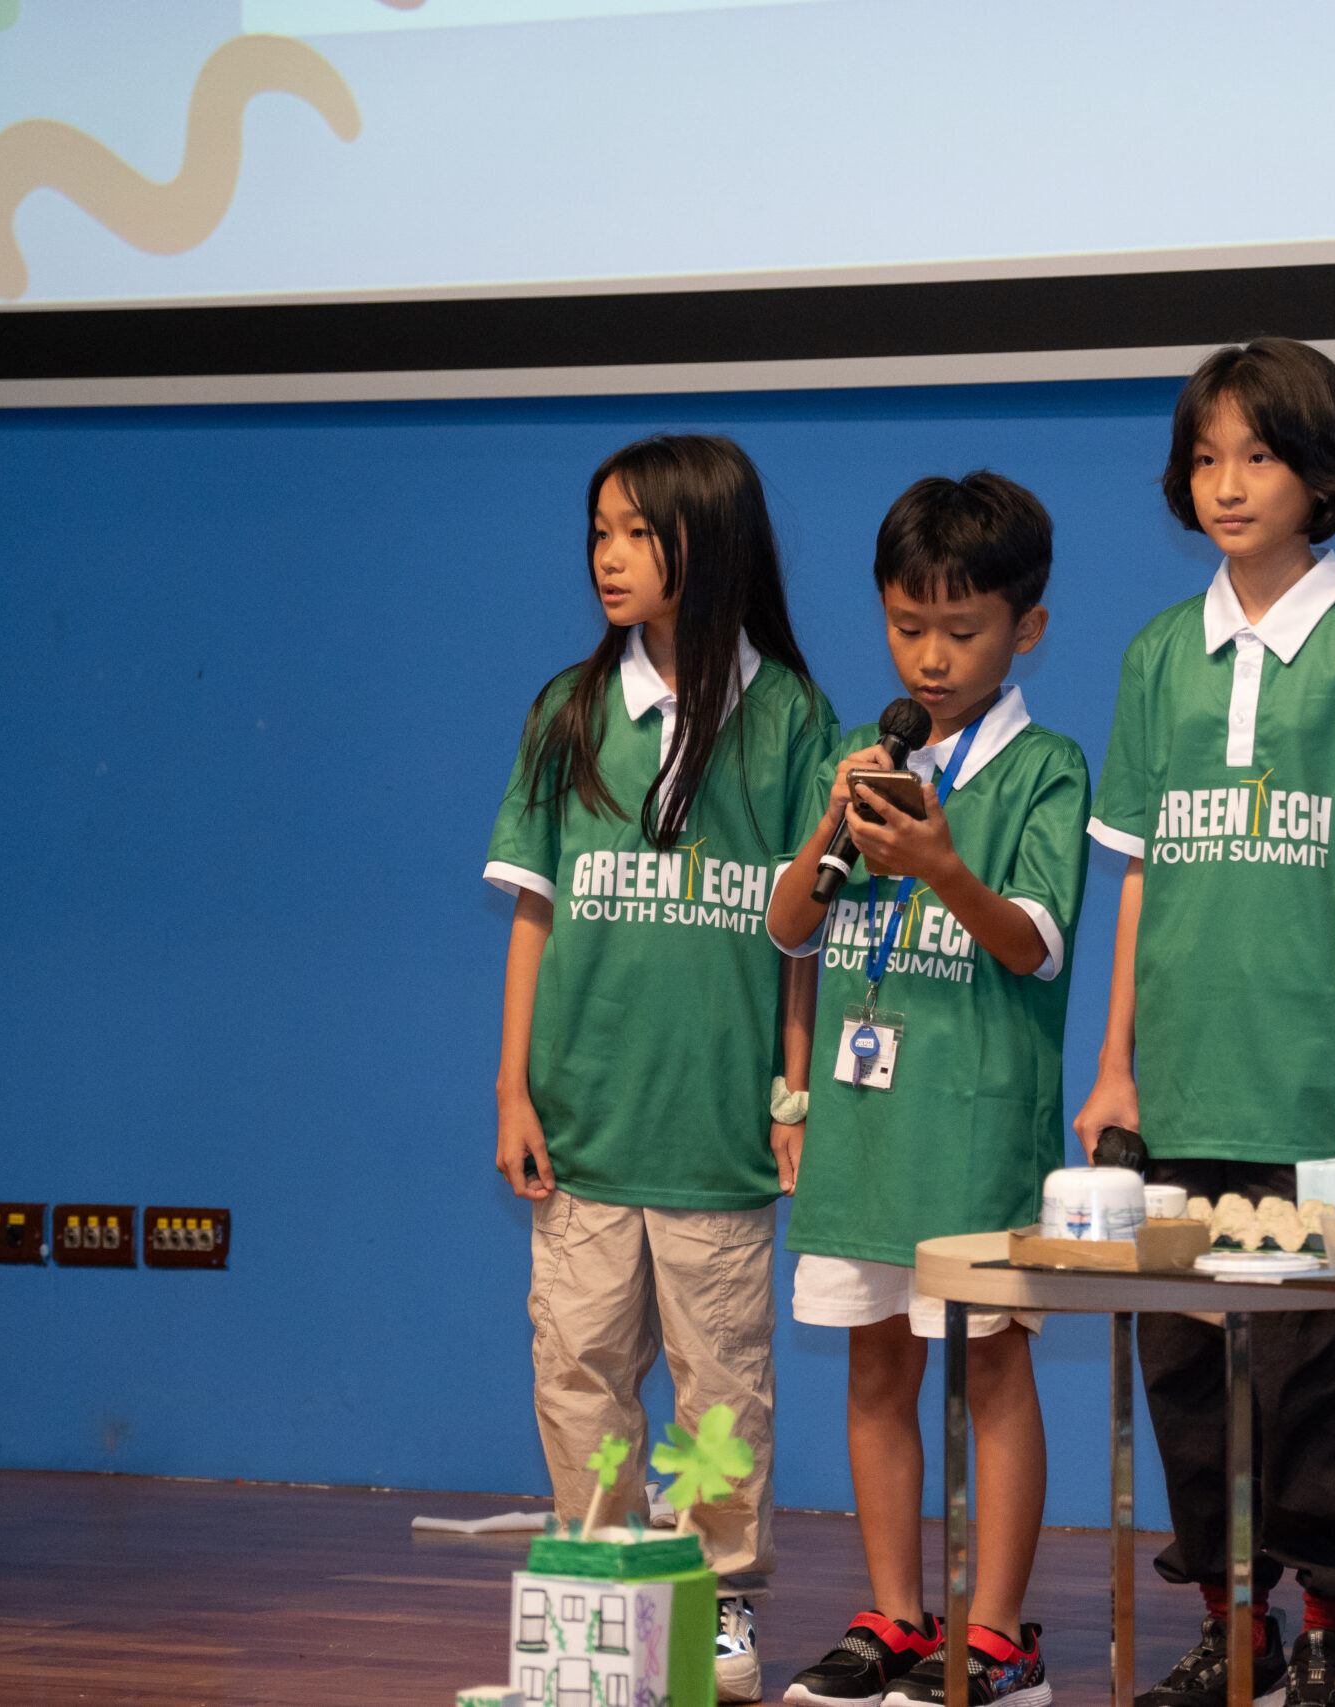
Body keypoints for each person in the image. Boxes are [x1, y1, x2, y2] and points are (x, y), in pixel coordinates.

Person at [1073, 340, 1335, 1707]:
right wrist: (1114, 1066)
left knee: (1323, 1378)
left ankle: (1333, 1634)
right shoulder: (1155, 656)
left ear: (1323, 474)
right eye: (1204, 458)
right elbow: (1135, 876)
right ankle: (1230, 1623)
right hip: (1178, 1088)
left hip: (1317, 1094)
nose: (1227, 485)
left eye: (1258, 455)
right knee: (1185, 1370)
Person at [484, 434, 837, 1704]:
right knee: (577, 1368)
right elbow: (534, 910)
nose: (610, 557)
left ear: (711, 541)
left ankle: (717, 1598)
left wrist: (793, 1092)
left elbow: (803, 936)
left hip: (717, 1132)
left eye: (638, 532)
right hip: (584, 1125)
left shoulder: (789, 717)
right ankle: (603, 1580)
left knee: (720, 1390)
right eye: (599, 533)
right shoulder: (568, 712)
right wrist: (513, 1090)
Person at [767, 472, 1088, 1707]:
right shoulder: (861, 756)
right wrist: (831, 829)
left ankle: (998, 1634)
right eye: (909, 628)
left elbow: (1032, 945)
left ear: (1026, 628)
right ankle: (896, 1618)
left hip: (973, 1128)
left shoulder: (1046, 768)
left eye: (963, 630)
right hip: (863, 1127)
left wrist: (943, 866)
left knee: (991, 1371)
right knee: (873, 1368)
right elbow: (790, 927)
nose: (932, 658)